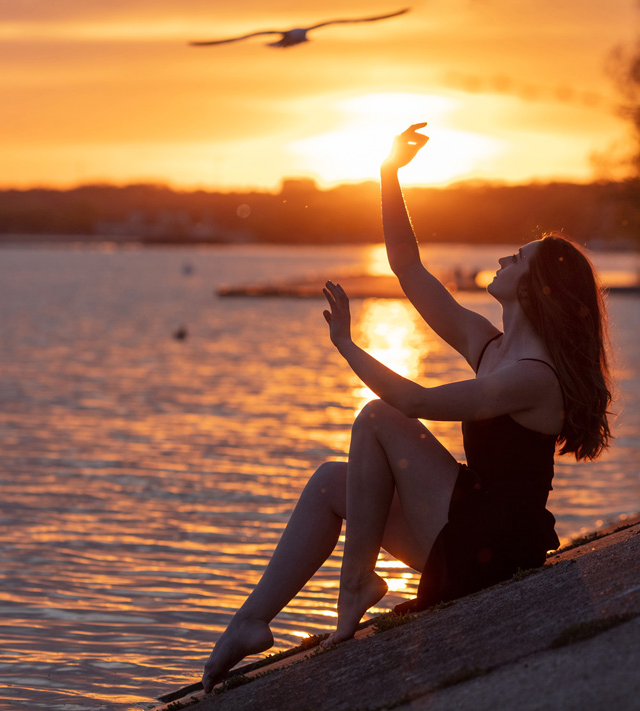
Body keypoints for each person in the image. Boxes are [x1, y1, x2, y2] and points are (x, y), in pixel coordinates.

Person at [201, 123, 613, 693]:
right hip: (466, 529)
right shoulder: (489, 346)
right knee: (328, 484)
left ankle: (353, 587)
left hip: (489, 547)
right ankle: (249, 623)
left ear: (531, 288)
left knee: (378, 416)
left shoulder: (531, 379)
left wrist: (347, 347)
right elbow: (408, 269)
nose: (501, 256)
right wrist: (388, 174)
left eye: (516, 258)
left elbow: (414, 402)